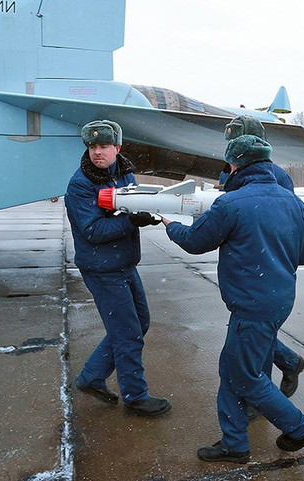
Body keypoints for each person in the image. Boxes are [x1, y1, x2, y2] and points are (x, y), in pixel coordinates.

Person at [160, 134, 304, 463]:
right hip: (278, 301)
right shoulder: (293, 201)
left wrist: (170, 224)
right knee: (233, 369)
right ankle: (235, 444)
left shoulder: (231, 203)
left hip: (251, 304)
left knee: (244, 375)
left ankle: (300, 428)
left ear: (235, 164)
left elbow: (195, 241)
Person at [65, 120, 171, 417]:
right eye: (92, 146)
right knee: (127, 333)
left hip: (123, 262)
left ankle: (92, 377)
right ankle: (136, 396)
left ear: (117, 148)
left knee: (140, 323)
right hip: (102, 269)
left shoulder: (124, 173)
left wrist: (145, 214)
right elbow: (93, 230)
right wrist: (130, 221)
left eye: (104, 146)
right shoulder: (81, 184)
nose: (97, 152)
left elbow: (131, 204)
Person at [220, 116, 304, 399]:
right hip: (246, 267)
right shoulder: (230, 171)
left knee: (254, 338)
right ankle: (289, 362)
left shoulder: (276, 176)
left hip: (264, 269)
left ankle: (259, 398)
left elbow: (286, 222)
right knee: (254, 336)